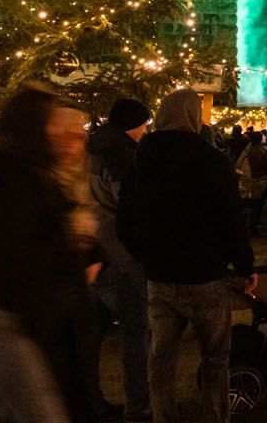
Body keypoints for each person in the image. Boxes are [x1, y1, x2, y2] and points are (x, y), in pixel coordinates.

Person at [0, 88, 102, 423]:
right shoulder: (14, 180)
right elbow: (11, 257)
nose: (61, 135)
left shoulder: (20, 174)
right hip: (0, 318)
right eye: (52, 124)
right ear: (33, 127)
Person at [119, 89, 255, 423]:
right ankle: (215, 416)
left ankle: (163, 417)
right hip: (204, 274)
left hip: (160, 275)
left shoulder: (140, 159)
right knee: (215, 358)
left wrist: (144, 254)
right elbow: (230, 217)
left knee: (161, 358)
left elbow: (124, 218)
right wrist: (244, 265)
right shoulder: (210, 160)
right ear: (193, 117)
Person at [88, 98, 153, 422]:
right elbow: (132, 208)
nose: (145, 130)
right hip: (122, 253)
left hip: (92, 253)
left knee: (90, 335)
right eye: (144, 124)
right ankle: (139, 405)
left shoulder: (92, 149)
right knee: (135, 332)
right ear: (132, 124)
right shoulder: (122, 157)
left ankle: (88, 400)